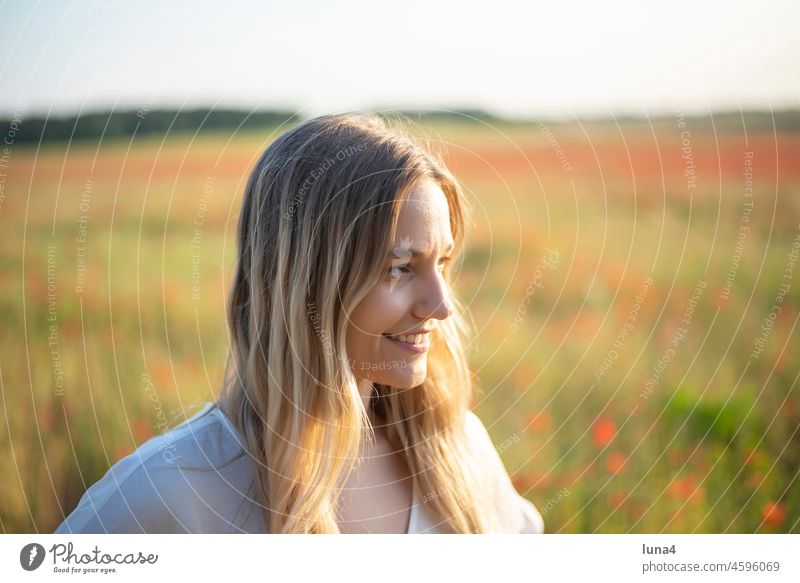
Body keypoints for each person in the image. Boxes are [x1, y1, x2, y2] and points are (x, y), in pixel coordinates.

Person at [55, 113, 545, 534]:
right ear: (303, 281)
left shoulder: (460, 450)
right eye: (400, 267)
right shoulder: (171, 492)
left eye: (442, 262)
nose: (441, 306)